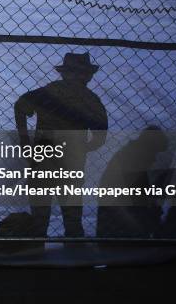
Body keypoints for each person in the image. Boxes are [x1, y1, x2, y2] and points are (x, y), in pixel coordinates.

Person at [14, 52, 108, 237]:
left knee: (43, 214)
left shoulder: (49, 92)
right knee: (71, 216)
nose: (79, 76)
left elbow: (20, 106)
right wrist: (82, 147)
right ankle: (72, 252)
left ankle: (39, 249)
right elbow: (99, 137)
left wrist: (25, 141)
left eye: (79, 73)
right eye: (77, 72)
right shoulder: (90, 99)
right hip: (68, 160)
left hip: (45, 156)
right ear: (88, 76)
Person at [97, 126, 168, 238]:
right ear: (148, 148)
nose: (154, 159)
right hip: (119, 222)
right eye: (154, 153)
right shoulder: (133, 160)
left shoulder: (133, 155)